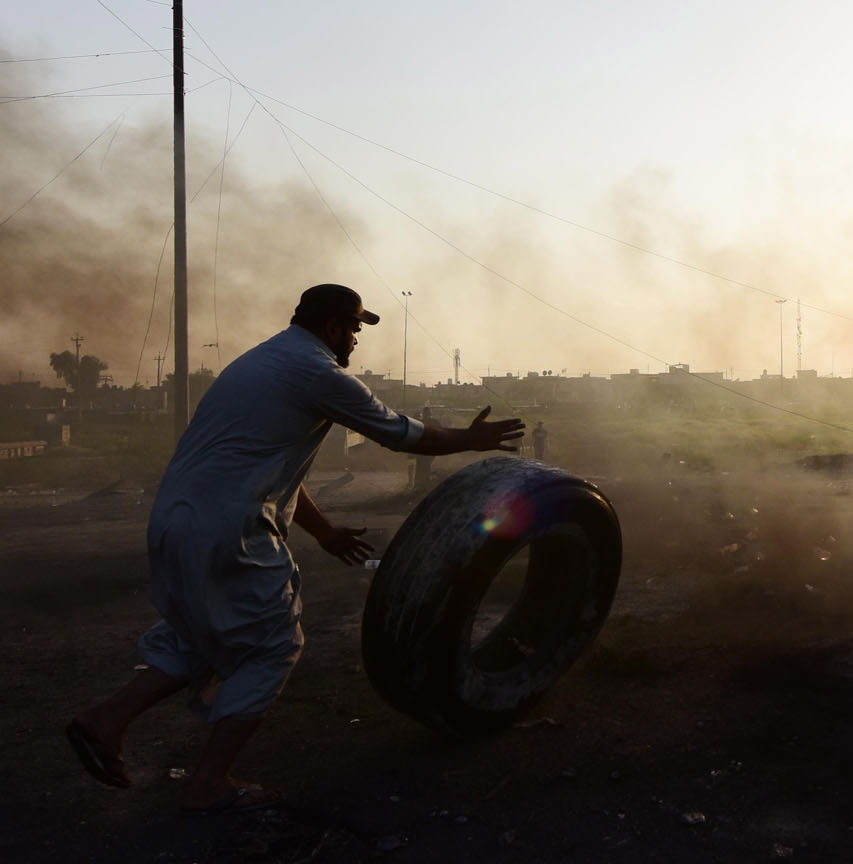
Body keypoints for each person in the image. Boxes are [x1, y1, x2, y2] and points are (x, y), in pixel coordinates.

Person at [66, 284, 523, 812]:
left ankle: (104, 720)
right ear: (332, 328)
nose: (356, 338)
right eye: (354, 328)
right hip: (227, 530)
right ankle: (210, 782)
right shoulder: (317, 373)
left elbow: (272, 465)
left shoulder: (259, 363)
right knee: (273, 644)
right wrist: (470, 440)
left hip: (178, 521)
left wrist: (324, 531)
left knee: (200, 633)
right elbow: (400, 434)